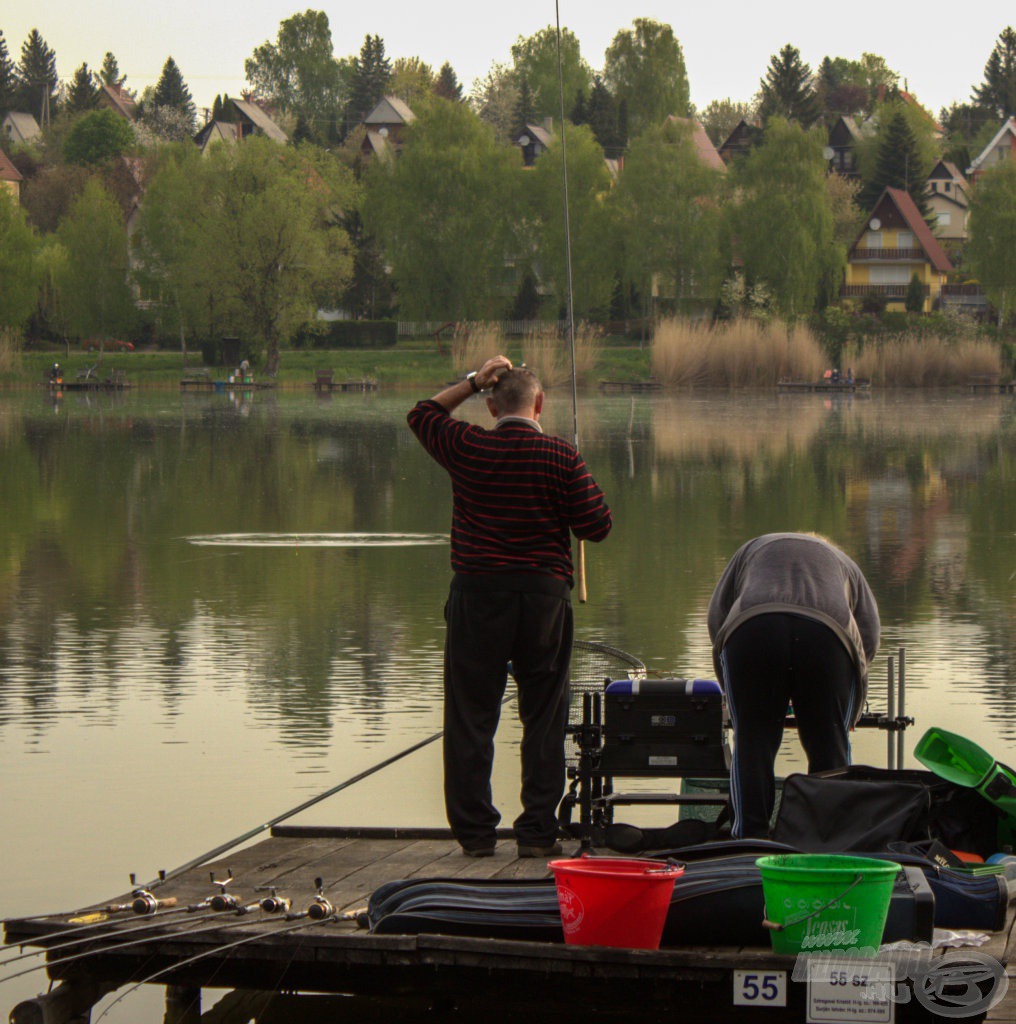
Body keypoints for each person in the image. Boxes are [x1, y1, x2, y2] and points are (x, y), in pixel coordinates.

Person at [407, 355, 612, 858]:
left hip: (478, 596)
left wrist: (472, 381)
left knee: (471, 716)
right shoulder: (561, 457)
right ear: (540, 404)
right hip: (543, 599)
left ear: (492, 407)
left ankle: (476, 836)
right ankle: (537, 832)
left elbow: (422, 415)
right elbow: (598, 525)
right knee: (544, 716)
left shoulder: (469, 445)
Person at [707, 533, 880, 839]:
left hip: (752, 626)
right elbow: (868, 636)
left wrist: (737, 700)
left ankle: (749, 839)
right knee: (829, 743)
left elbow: (718, 617)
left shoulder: (752, 547)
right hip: (829, 633)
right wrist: (846, 713)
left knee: (753, 741)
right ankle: (828, 839)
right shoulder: (845, 563)